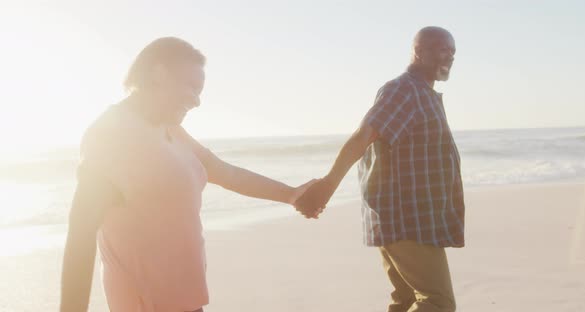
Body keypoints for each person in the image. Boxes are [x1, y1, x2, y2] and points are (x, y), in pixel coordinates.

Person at [60, 37, 319, 312]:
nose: (196, 101)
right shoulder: (112, 135)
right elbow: (81, 236)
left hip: (186, 302)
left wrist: (290, 194)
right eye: (192, 87)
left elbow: (226, 173)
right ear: (159, 74)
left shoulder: (168, 129)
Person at [295, 26, 464, 312]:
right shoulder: (404, 90)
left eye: (452, 52)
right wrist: (327, 186)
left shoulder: (422, 92)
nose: (448, 56)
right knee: (438, 303)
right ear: (419, 51)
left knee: (406, 300)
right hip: (408, 220)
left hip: (415, 218)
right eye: (441, 49)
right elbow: (363, 137)